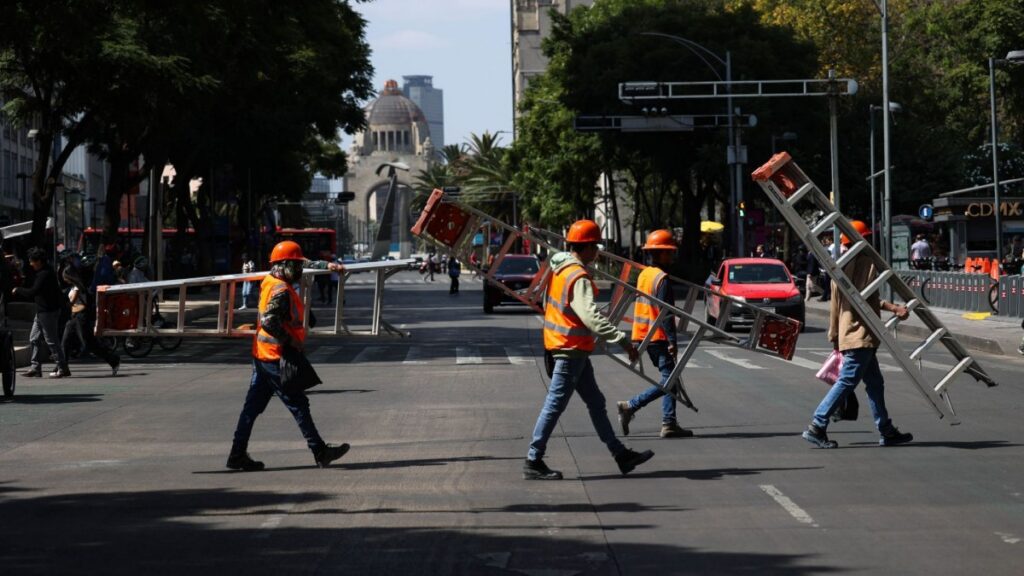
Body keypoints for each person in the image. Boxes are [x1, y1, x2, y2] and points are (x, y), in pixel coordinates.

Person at [525, 219, 653, 480]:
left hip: (570, 349)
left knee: (596, 402)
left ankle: (620, 454)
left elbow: (555, 307)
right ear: (585, 247)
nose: (597, 252)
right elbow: (590, 317)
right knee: (554, 405)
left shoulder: (560, 269)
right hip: (569, 350)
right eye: (595, 246)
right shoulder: (578, 276)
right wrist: (623, 341)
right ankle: (533, 460)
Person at [227, 240, 350, 471]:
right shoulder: (281, 291)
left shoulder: (271, 279)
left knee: (252, 408)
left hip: (262, 355)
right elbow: (269, 321)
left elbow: (303, 262)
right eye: (296, 266)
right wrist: (292, 341)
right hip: (276, 356)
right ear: (284, 265)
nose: (300, 270)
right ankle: (319, 450)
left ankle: (237, 454)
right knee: (298, 404)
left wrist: (327, 266)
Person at [802, 220, 914, 449]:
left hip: (851, 333)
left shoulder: (839, 265)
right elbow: (867, 298)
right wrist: (894, 308)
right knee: (847, 381)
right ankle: (817, 425)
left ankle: (886, 429)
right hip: (860, 333)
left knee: (875, 383)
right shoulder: (863, 261)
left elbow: (837, 304)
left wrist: (835, 335)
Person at [616, 229, 692, 439]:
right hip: (657, 337)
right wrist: (672, 341)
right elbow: (665, 313)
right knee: (669, 381)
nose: (672, 256)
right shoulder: (662, 279)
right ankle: (631, 406)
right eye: (669, 252)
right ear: (660, 253)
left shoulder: (645, 274)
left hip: (644, 335)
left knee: (670, 380)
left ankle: (669, 423)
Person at [14, 248, 71, 378]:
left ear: (39, 261)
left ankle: (63, 368)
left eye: (32, 261)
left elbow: (33, 292)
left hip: (48, 312)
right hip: (41, 312)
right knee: (34, 338)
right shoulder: (43, 272)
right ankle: (35, 368)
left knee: (51, 341)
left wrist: (18, 290)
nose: (30, 264)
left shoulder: (44, 274)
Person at [61, 262, 120, 375]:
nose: (64, 279)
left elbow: (72, 303)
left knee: (89, 344)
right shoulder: (72, 287)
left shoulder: (78, 288)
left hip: (81, 317)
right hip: (73, 317)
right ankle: (62, 368)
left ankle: (113, 359)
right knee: (65, 341)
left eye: (65, 277)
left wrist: (61, 303)